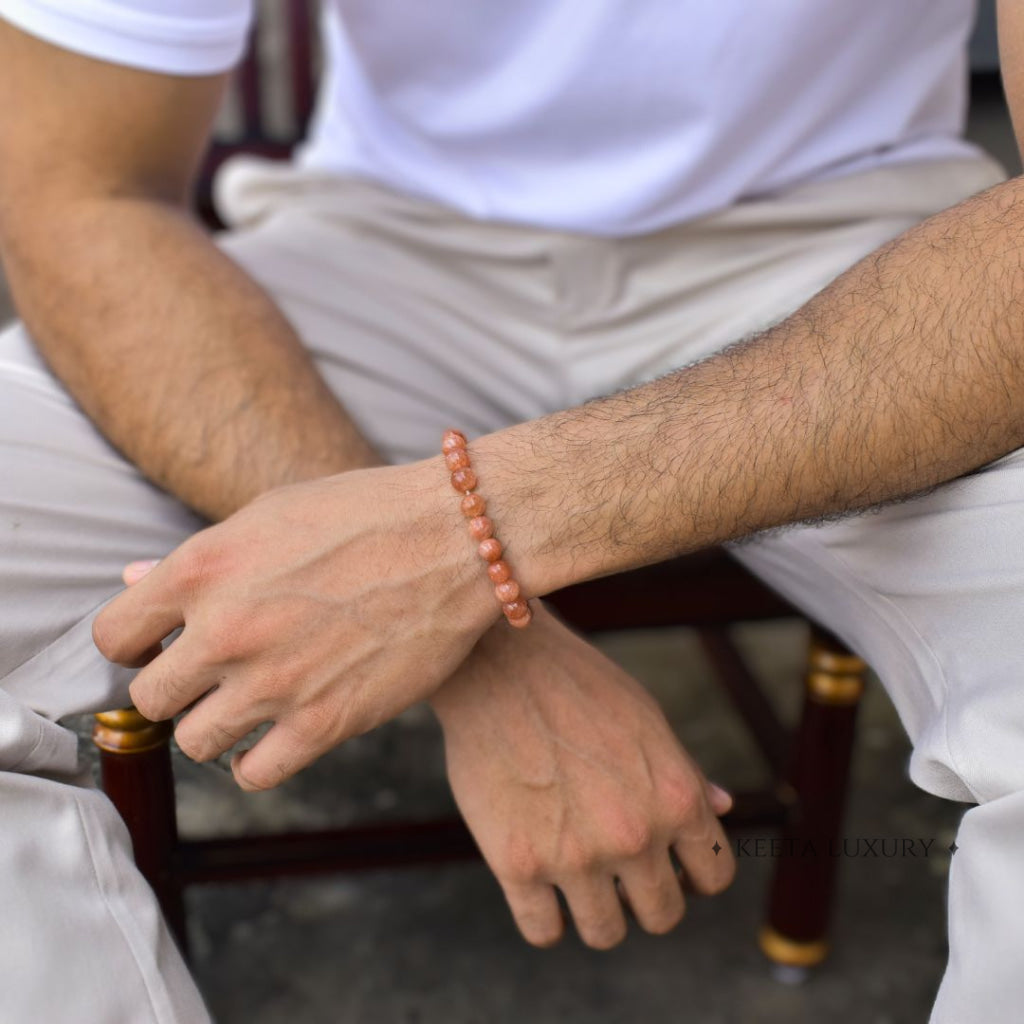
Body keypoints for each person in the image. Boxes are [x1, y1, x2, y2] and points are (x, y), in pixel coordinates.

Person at [0, 0, 1018, 1020]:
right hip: (380, 250)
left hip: (874, 265)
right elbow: (78, 189)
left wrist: (457, 546)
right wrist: (487, 646)